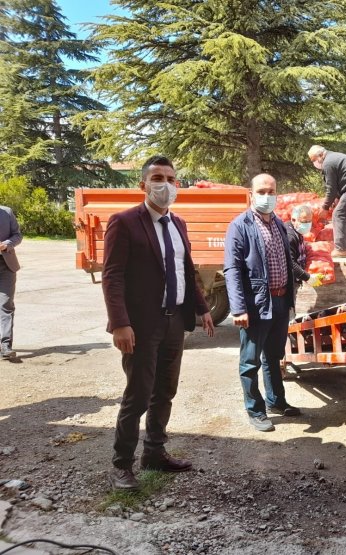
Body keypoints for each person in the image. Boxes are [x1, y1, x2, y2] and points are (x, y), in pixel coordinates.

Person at [102, 155, 214, 490]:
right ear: (143, 184)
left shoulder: (178, 223)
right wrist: (120, 323)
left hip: (174, 322)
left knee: (165, 390)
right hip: (140, 326)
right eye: (157, 178)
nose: (164, 184)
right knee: (138, 394)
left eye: (170, 178)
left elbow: (186, 270)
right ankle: (121, 465)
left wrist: (202, 307)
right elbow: (113, 277)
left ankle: (154, 453)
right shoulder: (124, 222)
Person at [223, 173, 301, 432]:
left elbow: (286, 262)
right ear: (251, 194)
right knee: (250, 361)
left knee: (274, 356)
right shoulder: (240, 225)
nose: (267, 196)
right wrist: (238, 308)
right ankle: (255, 411)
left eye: (271, 191)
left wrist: (299, 283)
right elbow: (232, 269)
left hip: (280, 302)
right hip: (256, 304)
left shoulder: (279, 224)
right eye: (262, 191)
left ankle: (276, 401)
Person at [287, 205, 323, 300]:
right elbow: (290, 264)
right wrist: (308, 277)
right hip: (285, 285)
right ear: (293, 220)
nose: (307, 224)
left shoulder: (297, 232)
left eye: (309, 221)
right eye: (304, 222)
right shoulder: (290, 237)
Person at [0, 205, 22, 360]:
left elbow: (17, 235)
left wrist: (8, 243)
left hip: (7, 266)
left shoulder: (7, 212)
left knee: (6, 304)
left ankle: (6, 346)